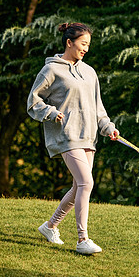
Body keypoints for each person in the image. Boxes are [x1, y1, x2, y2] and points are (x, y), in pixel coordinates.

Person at [27, 22, 119, 254]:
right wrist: (50, 112)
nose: (86, 48)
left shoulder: (89, 72)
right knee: (86, 183)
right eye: (83, 43)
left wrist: (107, 127)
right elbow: (34, 101)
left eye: (88, 44)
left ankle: (50, 227)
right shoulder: (51, 70)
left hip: (88, 136)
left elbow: (98, 106)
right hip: (66, 135)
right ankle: (82, 240)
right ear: (69, 42)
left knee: (79, 186)